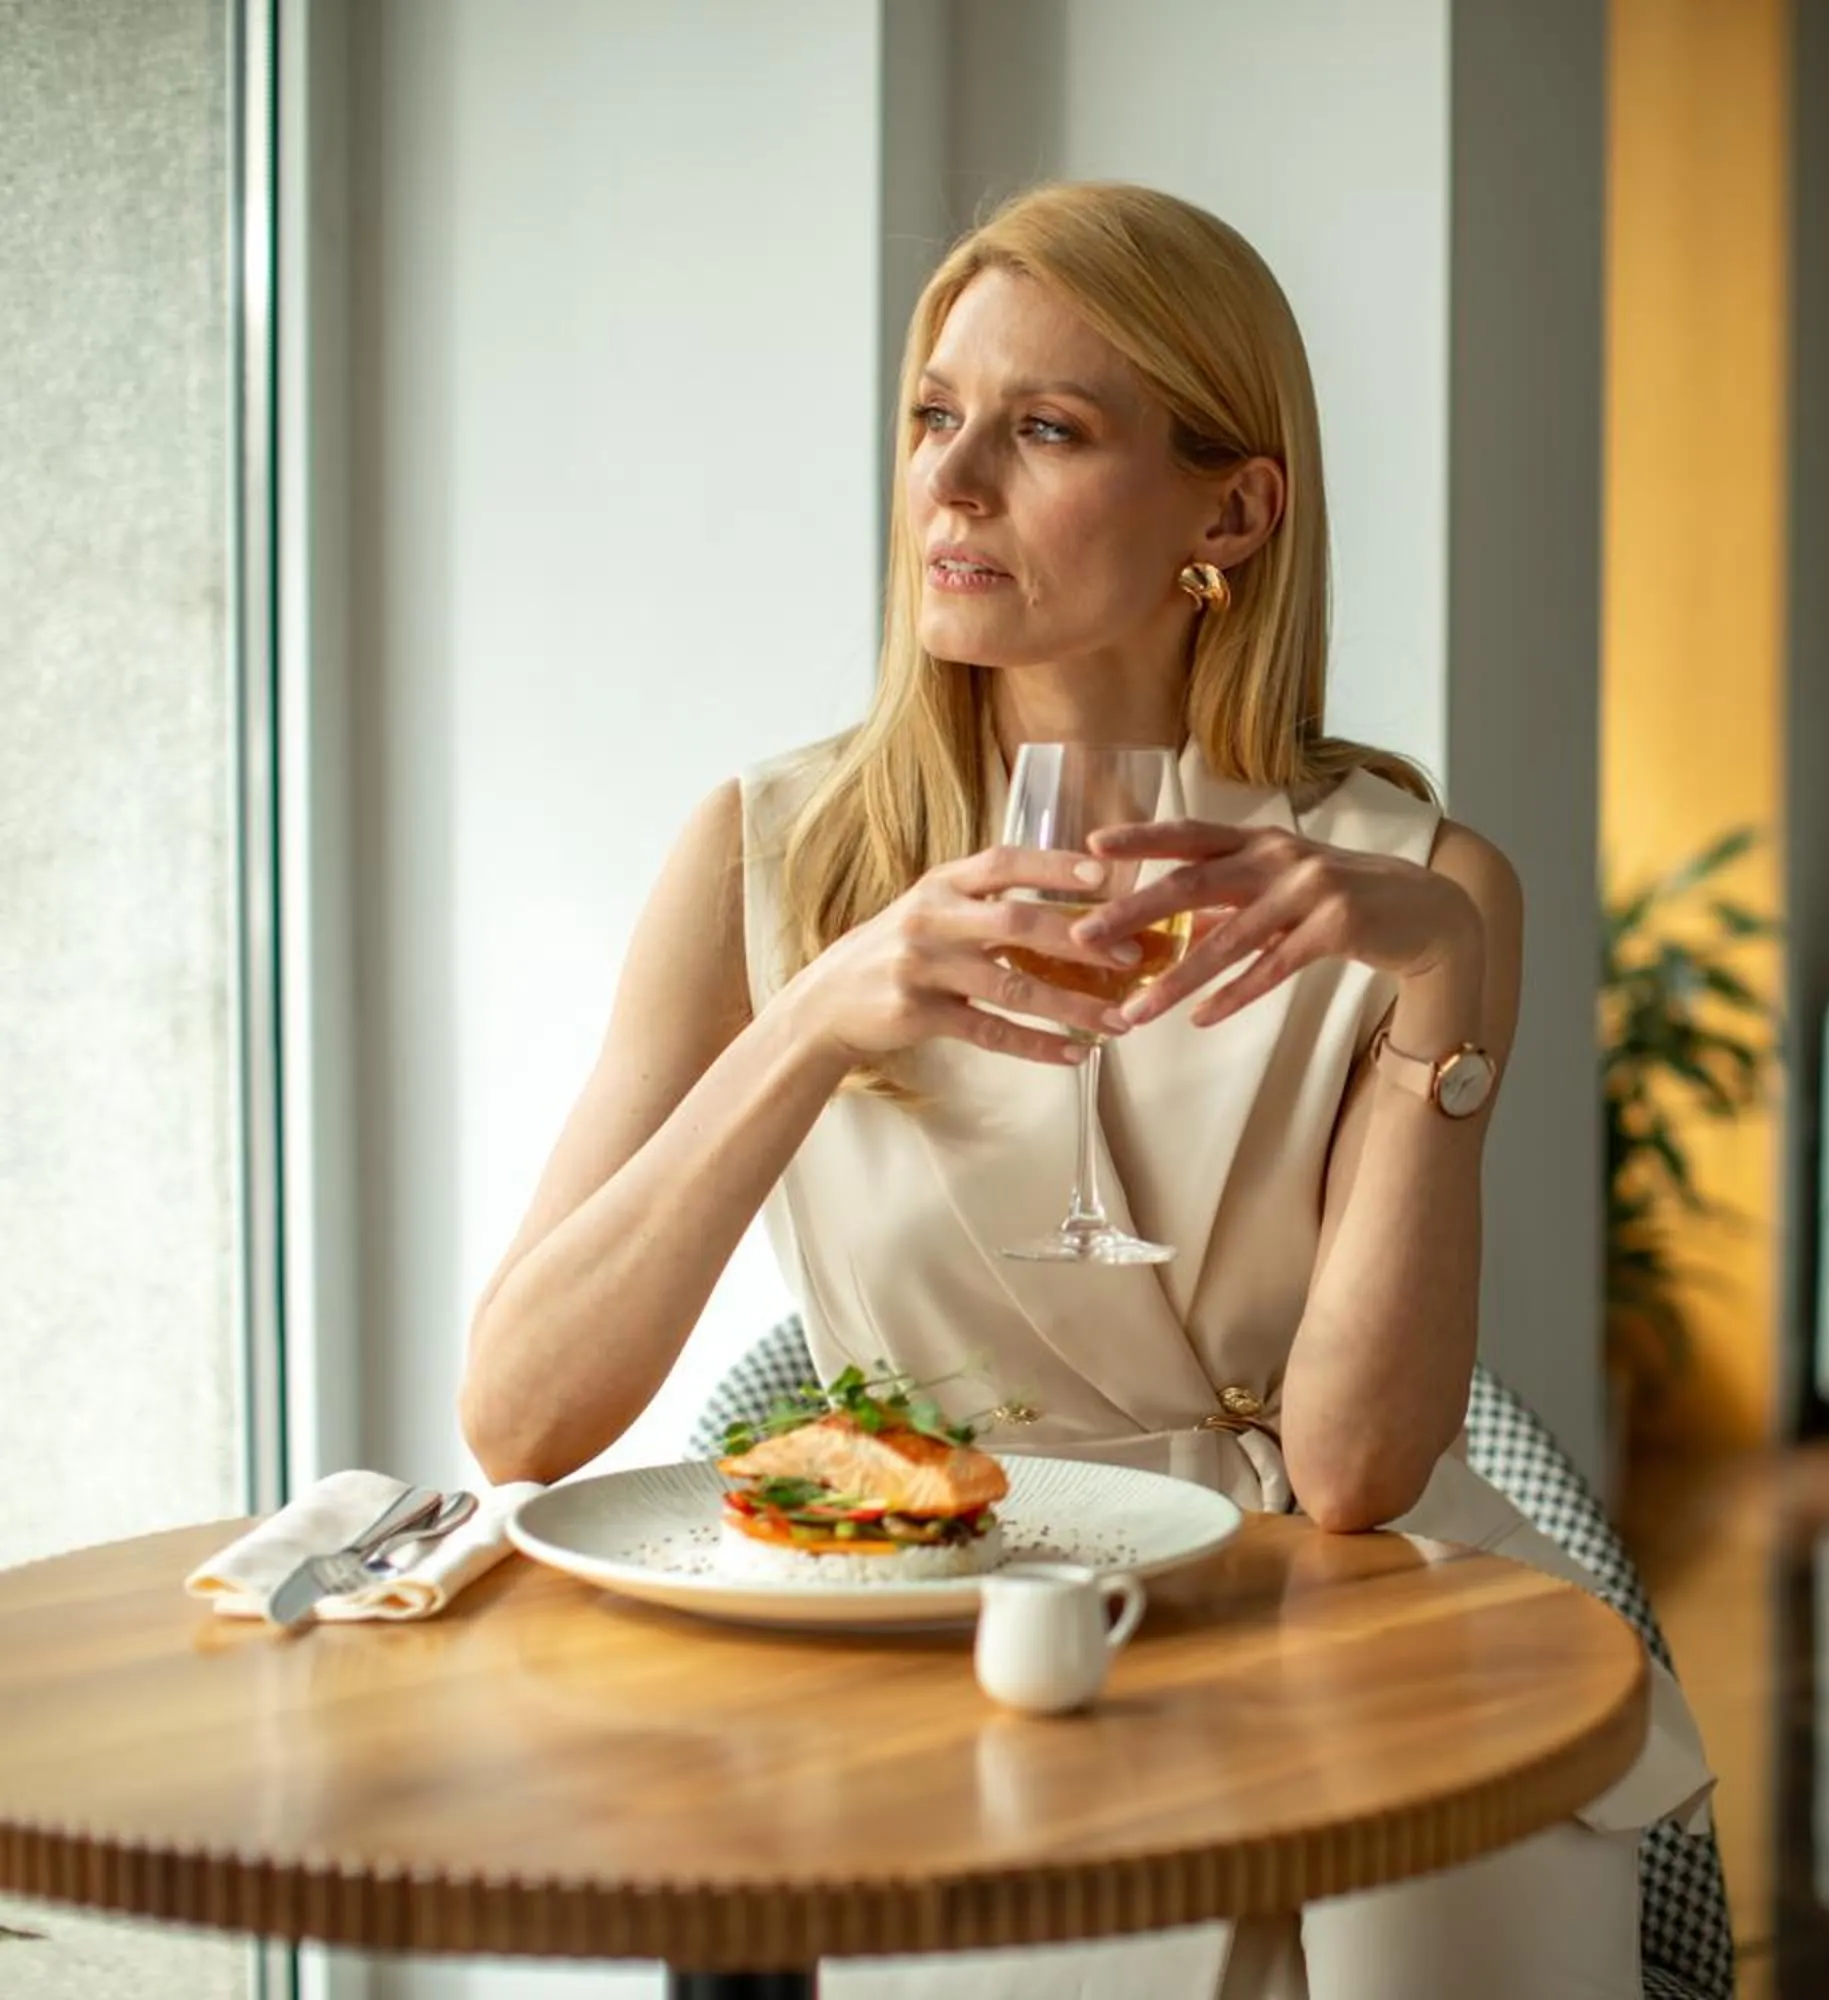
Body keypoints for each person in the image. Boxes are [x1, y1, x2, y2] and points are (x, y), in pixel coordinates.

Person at [455, 180, 1711, 1997]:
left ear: (1235, 507)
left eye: (1042, 429)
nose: (951, 484)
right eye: (931, 417)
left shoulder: (1416, 883)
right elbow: (520, 1419)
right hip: (959, 1660)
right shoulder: (766, 854)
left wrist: (1441, 991)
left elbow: (1359, 1476)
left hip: (1354, 1638)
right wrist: (813, 1019)